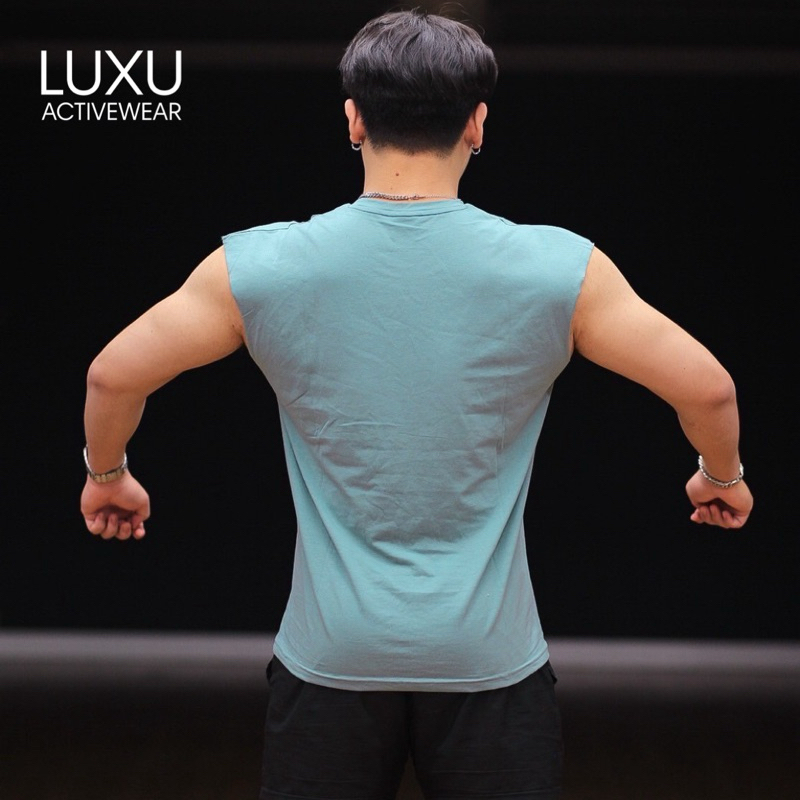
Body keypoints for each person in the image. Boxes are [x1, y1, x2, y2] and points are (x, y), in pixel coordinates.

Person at [80, 8, 753, 800]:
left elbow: (111, 376)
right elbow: (709, 387)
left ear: (354, 120)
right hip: (490, 665)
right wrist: (721, 475)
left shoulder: (255, 267)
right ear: (476, 124)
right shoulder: (561, 269)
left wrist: (108, 474)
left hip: (329, 663)